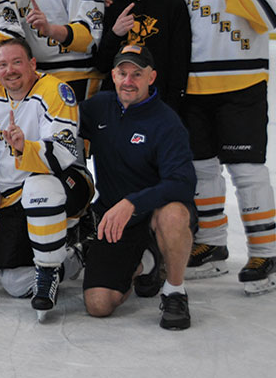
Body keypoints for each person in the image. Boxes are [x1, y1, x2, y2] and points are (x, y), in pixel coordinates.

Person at [163, 0, 276, 295]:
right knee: (202, 170)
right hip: (194, 88)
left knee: (247, 171)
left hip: (242, 83)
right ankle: (212, 246)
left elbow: (273, 15)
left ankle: (264, 253)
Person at [0, 39, 93, 317]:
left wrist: (26, 147)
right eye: (2, 65)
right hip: (17, 195)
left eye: (17, 62)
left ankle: (52, 267)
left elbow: (63, 153)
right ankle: (77, 255)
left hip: (66, 182)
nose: (9, 70)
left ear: (32, 64)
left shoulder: (56, 91)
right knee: (13, 282)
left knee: (39, 186)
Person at [80, 44, 195, 329]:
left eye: (137, 74)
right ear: (114, 75)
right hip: (115, 219)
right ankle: (146, 262)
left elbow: (182, 183)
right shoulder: (98, 107)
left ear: (151, 77)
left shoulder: (167, 123)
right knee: (98, 304)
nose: (129, 81)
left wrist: (134, 202)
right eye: (123, 73)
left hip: (153, 213)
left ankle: (174, 291)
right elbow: (54, 118)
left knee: (174, 215)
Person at [94, 0, 190, 114]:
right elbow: (101, 65)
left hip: (158, 101)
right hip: (118, 103)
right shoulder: (112, 5)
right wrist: (115, 33)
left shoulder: (173, 6)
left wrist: (173, 105)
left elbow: (179, 62)